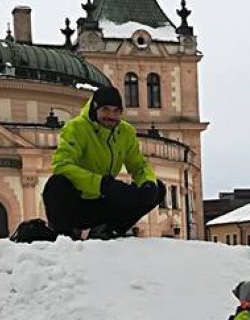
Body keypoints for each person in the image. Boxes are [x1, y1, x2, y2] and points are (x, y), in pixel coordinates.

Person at [42, 85, 167, 240]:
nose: (111, 116)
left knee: (157, 188)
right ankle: (65, 235)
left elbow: (138, 166)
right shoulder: (76, 128)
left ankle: (108, 229)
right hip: (78, 202)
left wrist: (147, 184)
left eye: (116, 111)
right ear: (95, 109)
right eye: (106, 109)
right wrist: (102, 185)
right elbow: (62, 166)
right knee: (56, 184)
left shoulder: (126, 132)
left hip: (103, 201)